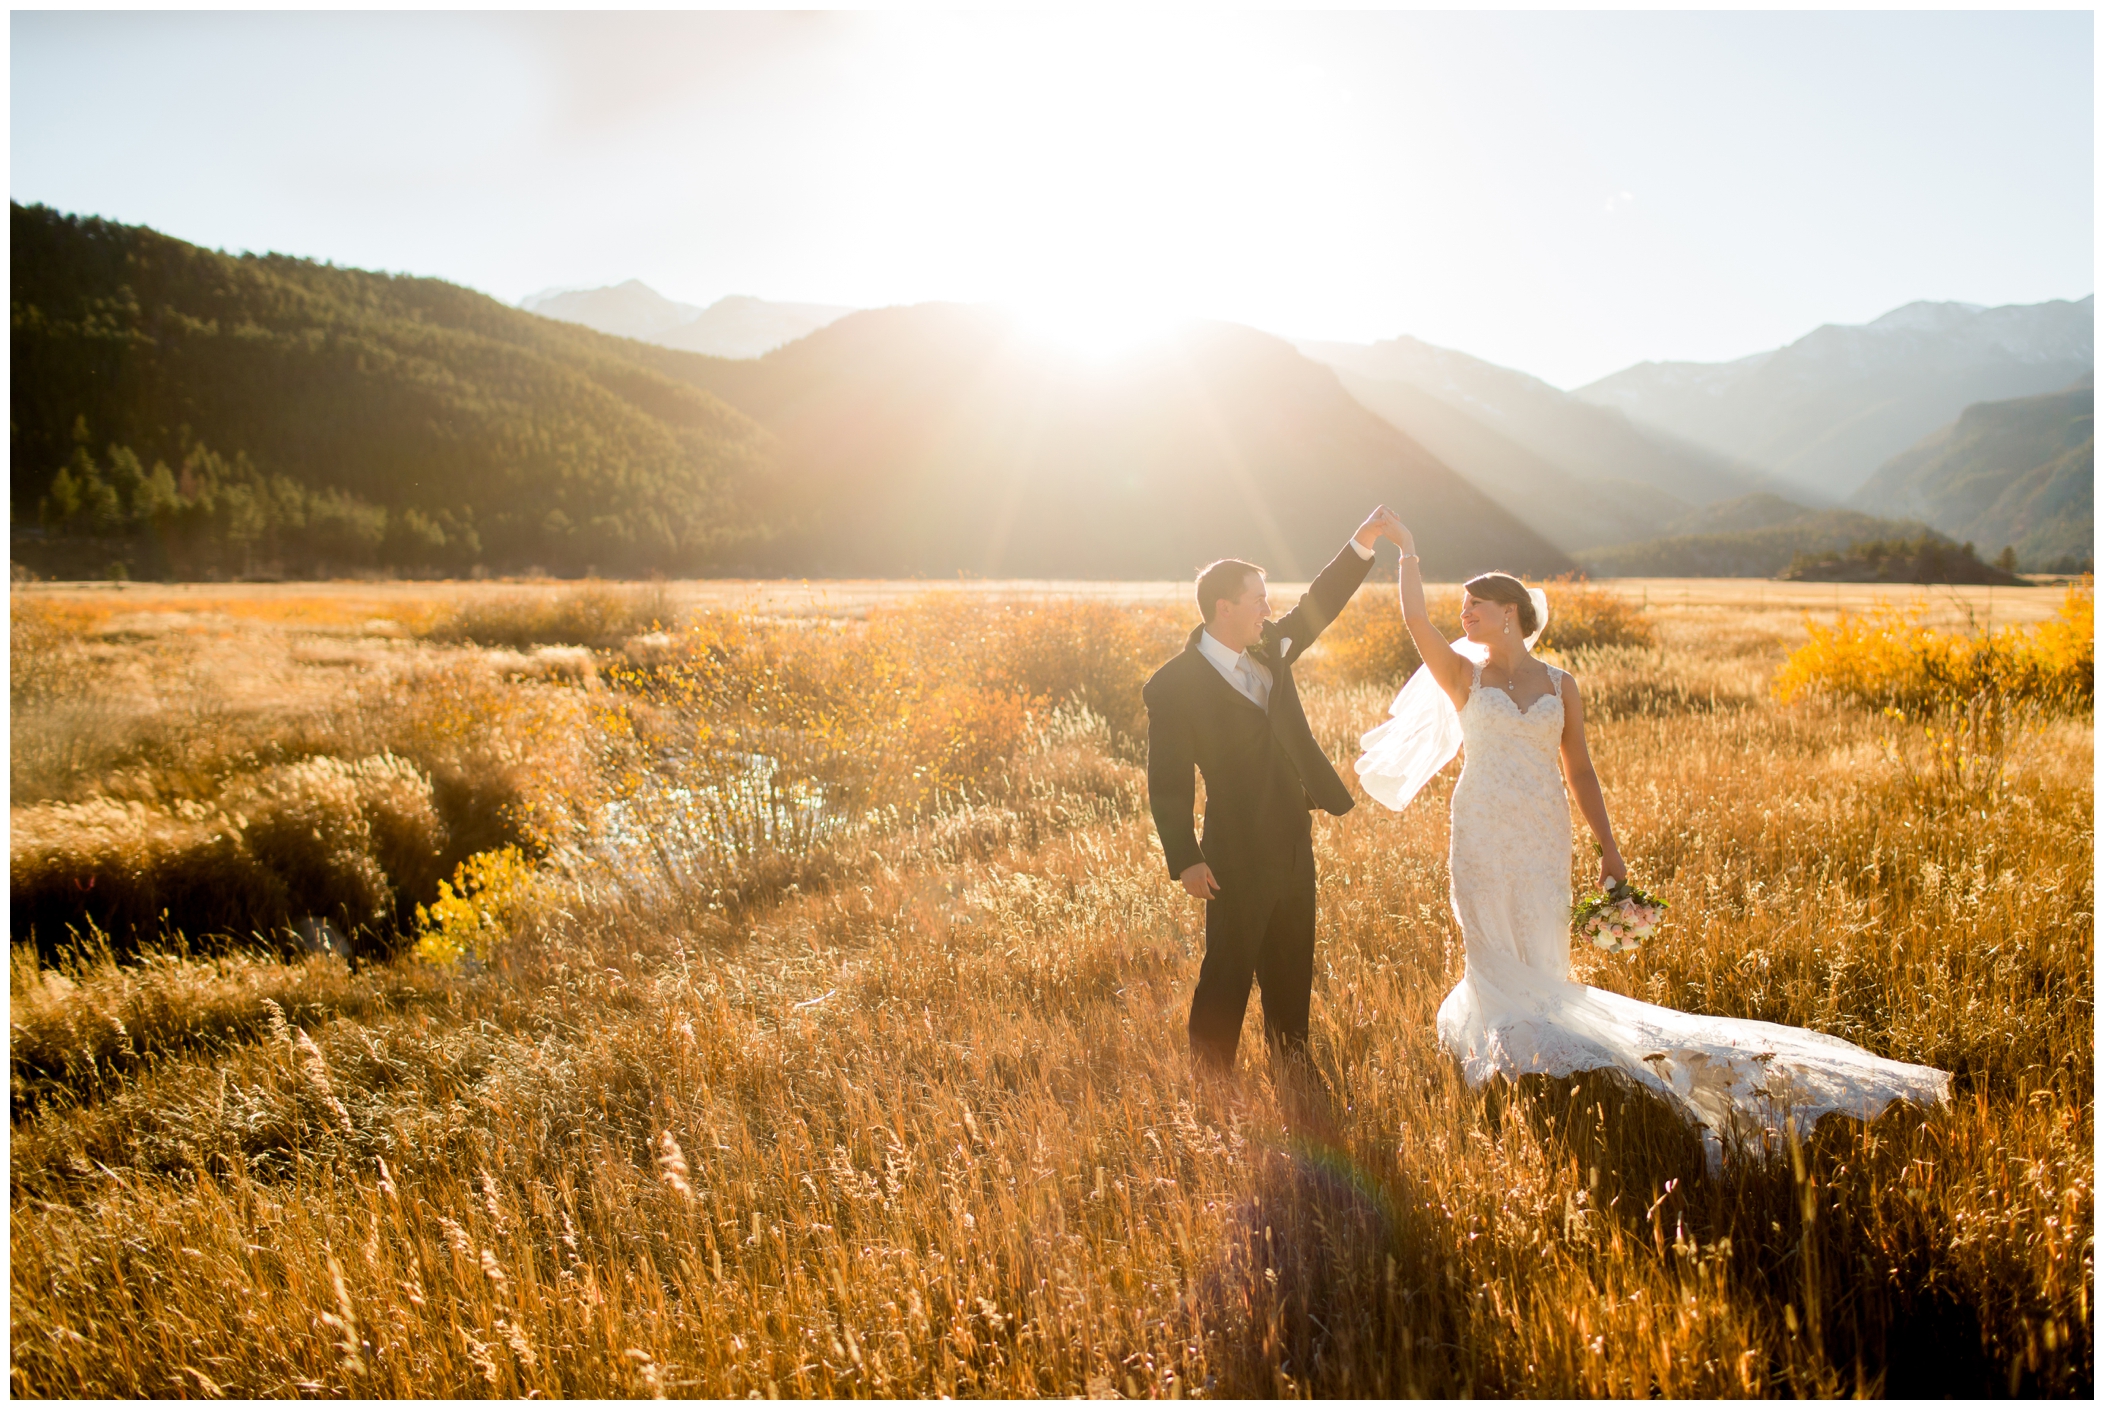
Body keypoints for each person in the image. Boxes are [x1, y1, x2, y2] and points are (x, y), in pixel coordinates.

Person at [1355, 521, 1950, 1170]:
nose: (1463, 613)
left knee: (1541, 950)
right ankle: (1512, 1070)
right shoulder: (1463, 678)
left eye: (1475, 605)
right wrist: (1408, 549)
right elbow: (1416, 620)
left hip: (1541, 834)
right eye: (1463, 605)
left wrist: (1610, 849)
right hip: (1477, 830)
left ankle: (1549, 1059)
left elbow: (1580, 770)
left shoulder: (1561, 686)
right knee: (1490, 945)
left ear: (1509, 615)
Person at [1145, 506, 1403, 1078]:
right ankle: (1212, 1083)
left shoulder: (1272, 648)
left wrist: (1361, 542)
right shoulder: (1173, 686)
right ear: (1224, 608)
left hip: (1292, 836)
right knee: (1229, 970)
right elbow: (1166, 782)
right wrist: (1185, 858)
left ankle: (1294, 1067)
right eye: (1258, 598)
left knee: (1291, 963)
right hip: (1232, 850)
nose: (1268, 608)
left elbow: (1320, 603)